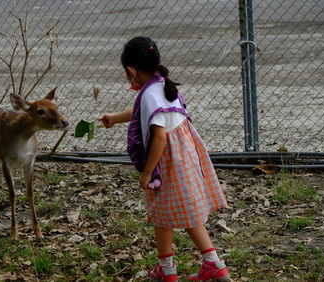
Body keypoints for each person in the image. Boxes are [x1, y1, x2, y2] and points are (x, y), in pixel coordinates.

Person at [99, 37, 230, 281]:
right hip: (185, 156)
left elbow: (158, 137)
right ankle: (213, 265)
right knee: (184, 212)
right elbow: (144, 113)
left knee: (161, 214)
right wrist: (116, 117)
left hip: (167, 162)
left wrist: (147, 172)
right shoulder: (164, 85)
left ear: (131, 70)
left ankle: (167, 270)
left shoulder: (150, 95)